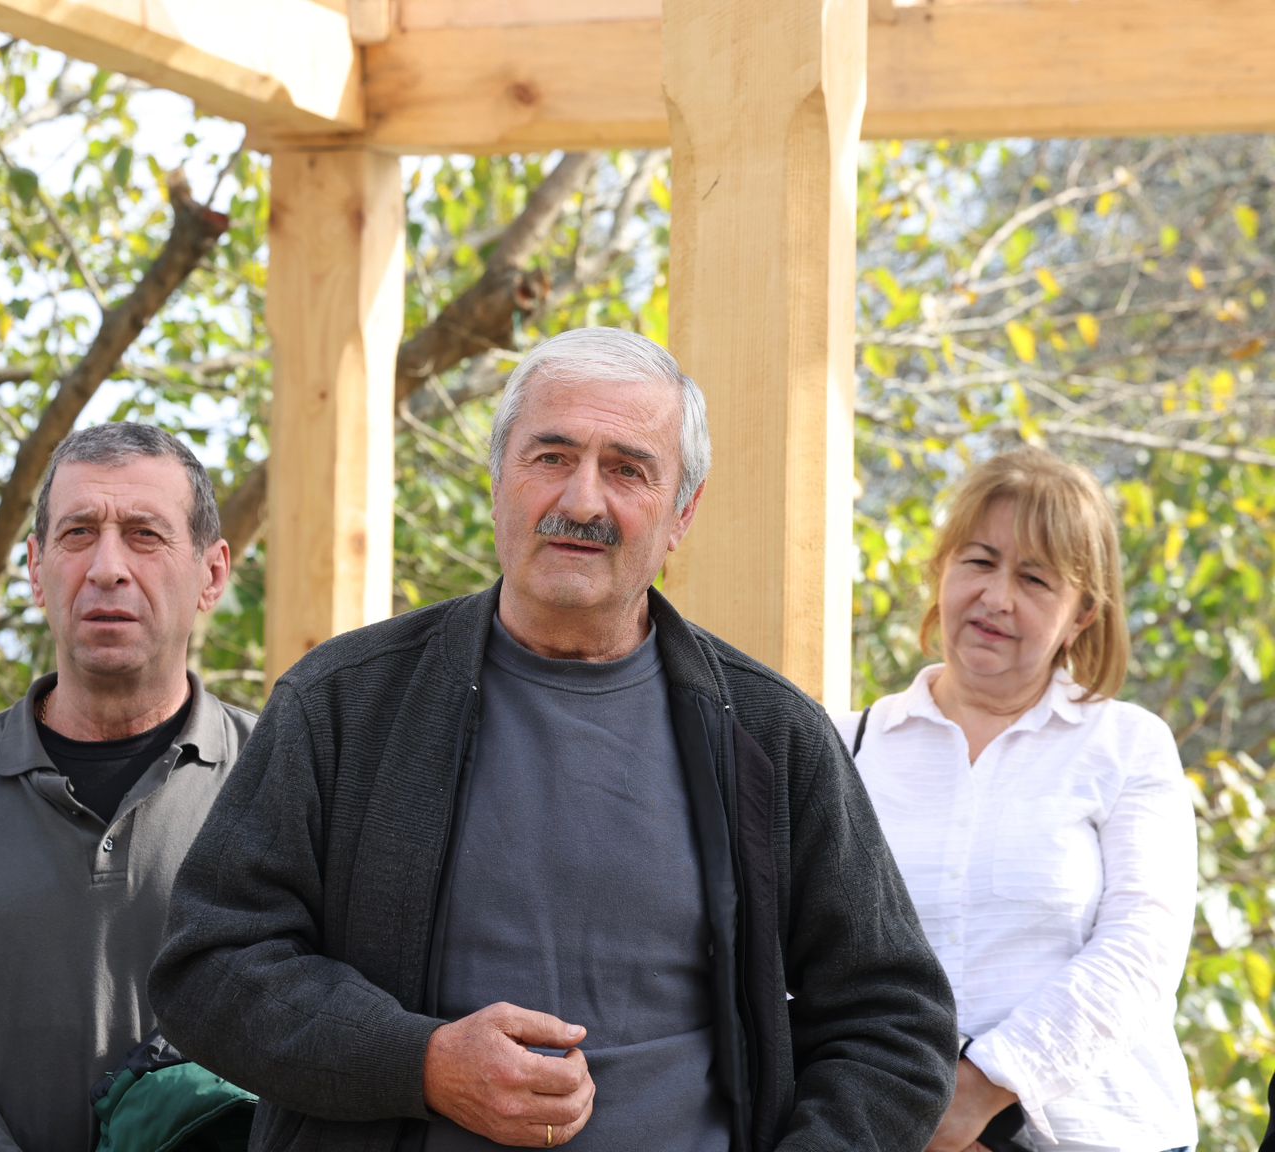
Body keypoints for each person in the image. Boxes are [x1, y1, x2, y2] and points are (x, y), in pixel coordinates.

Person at [150, 327, 957, 1152]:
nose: (582, 501)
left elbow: (895, 1025)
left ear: (682, 514)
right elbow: (211, 966)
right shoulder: (346, 703)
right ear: (497, 479)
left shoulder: (771, 735)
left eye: (628, 470)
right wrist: (420, 1062)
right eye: (551, 457)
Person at [0, 423, 258, 1151]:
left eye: (145, 535)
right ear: (35, 568)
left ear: (211, 574)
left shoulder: (279, 778)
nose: (108, 568)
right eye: (78, 533)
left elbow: (330, 1022)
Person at [836, 447, 1197, 1152]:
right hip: (897, 1132)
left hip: (1103, 1135)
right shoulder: (846, 746)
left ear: (1082, 614)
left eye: (1034, 579)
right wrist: (908, 1108)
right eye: (979, 561)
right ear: (941, 568)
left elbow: (1141, 952)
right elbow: (801, 959)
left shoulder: (1129, 746)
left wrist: (978, 1092)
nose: (997, 598)